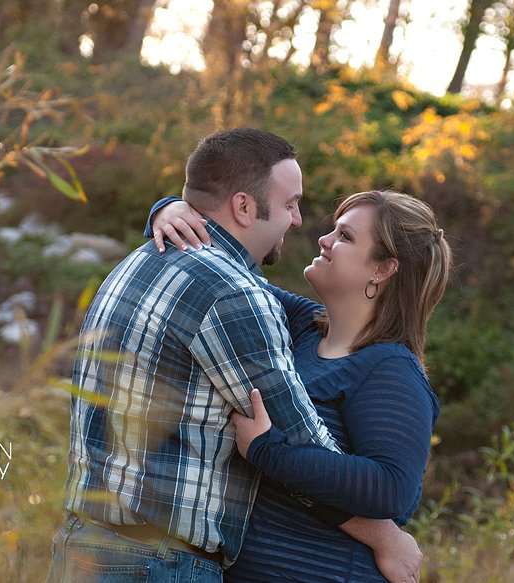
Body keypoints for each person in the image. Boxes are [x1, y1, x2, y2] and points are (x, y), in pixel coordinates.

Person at [47, 128, 422, 583]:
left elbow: (383, 484)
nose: (305, 225)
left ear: (384, 269)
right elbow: (299, 445)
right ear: (244, 206)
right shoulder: (246, 302)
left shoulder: (144, 260)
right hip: (153, 560)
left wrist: (173, 208)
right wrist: (384, 536)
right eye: (290, 205)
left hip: (89, 543)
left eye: (343, 236)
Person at [150, 189, 451, 581]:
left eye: (344, 237)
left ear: (383, 269)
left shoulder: (390, 368)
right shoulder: (302, 326)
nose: (324, 240)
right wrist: (169, 210)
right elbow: (220, 274)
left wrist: (268, 451)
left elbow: (393, 488)